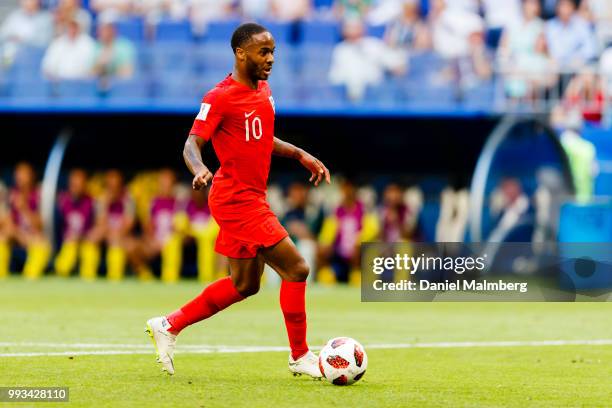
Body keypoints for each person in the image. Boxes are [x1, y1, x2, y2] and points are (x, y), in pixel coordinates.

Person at [145, 23, 331, 378]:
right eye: (263, 52)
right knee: (297, 268)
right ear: (241, 53)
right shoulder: (219, 97)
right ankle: (301, 355)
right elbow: (191, 144)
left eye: (273, 51)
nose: (271, 59)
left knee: (245, 285)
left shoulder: (264, 90)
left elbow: (261, 137)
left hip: (250, 196)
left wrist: (300, 154)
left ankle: (168, 325)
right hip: (236, 200)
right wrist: (199, 169)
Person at [329, 18, 406, 101]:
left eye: (356, 26)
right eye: (349, 27)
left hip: (374, 96)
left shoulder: (374, 45)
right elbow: (335, 78)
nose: (353, 29)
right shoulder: (340, 50)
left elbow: (398, 67)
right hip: (347, 98)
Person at [54, 168, 95, 277]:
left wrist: (83, 236)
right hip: (68, 243)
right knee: (62, 266)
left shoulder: (92, 202)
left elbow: (98, 225)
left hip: (86, 241)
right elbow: (55, 227)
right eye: (73, 184)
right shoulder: (62, 201)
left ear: (85, 184)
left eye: (79, 184)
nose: (76, 187)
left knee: (90, 256)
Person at [545, 0, 597, 72]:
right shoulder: (550, 26)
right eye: (562, 5)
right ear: (557, 8)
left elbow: (590, 50)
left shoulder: (582, 25)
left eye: (568, 6)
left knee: (587, 73)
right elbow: (550, 51)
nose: (565, 10)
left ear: (573, 8)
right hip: (556, 68)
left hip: (579, 67)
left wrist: (579, 58)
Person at [92, 14, 136, 79]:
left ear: (114, 29)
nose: (104, 31)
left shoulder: (125, 46)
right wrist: (100, 65)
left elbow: (128, 73)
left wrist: (111, 63)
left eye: (108, 28)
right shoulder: (95, 47)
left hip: (120, 87)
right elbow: (89, 74)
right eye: (102, 28)